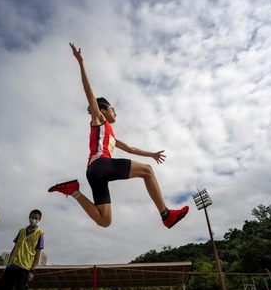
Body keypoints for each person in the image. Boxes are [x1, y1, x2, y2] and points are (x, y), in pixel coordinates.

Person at [49, 43, 189, 229]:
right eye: (113, 109)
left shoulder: (109, 135)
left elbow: (130, 149)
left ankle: (73, 191)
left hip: (93, 173)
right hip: (101, 165)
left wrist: (152, 154)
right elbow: (89, 94)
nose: (115, 113)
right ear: (103, 110)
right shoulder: (99, 120)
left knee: (104, 220)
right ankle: (166, 215)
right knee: (147, 171)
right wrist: (81, 62)